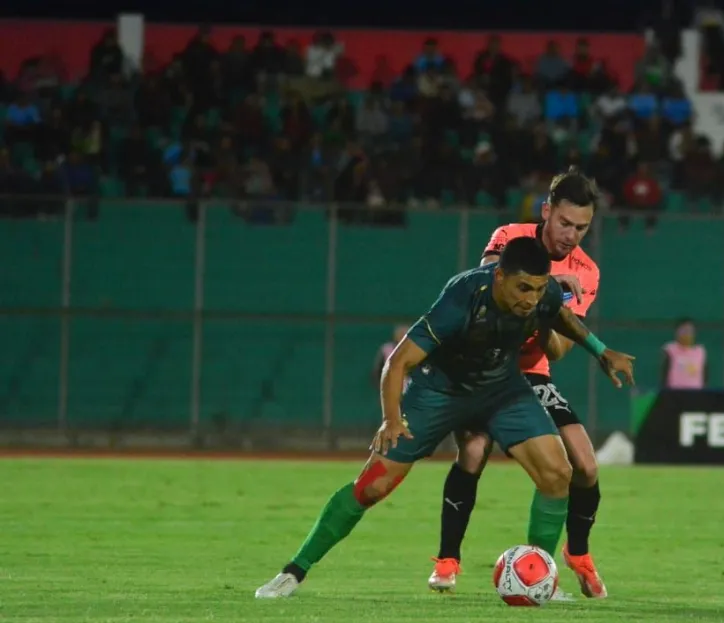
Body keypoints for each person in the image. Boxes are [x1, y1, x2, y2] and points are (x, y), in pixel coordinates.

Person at [255, 236, 635, 598]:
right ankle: (293, 571)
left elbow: (561, 316)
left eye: (538, 290)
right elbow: (398, 361)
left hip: (502, 390)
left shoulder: (542, 294)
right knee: (373, 486)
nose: (531, 300)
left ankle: (538, 578)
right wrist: (391, 420)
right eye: (523, 289)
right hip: (439, 392)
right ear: (500, 276)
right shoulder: (463, 296)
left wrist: (602, 350)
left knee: (558, 474)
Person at [428, 167, 610, 599]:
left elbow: (559, 351)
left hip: (530, 372)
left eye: (582, 227)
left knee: (584, 464)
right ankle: (446, 562)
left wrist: (549, 314)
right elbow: (487, 288)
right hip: (481, 363)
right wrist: (547, 288)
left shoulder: (586, 271)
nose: (571, 235)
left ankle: (570, 556)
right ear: (546, 212)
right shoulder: (509, 235)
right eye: (564, 223)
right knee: (472, 451)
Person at [661, 318, 707, 389]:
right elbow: (664, 374)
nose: (687, 334)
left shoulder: (700, 352)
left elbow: (705, 375)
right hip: (675, 393)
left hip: (696, 393)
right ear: (676, 332)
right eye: (683, 330)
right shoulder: (670, 350)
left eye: (689, 331)